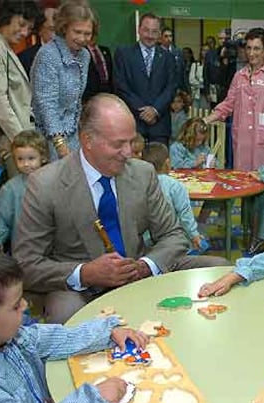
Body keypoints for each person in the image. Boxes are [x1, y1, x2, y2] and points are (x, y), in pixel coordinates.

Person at [13, 94, 228, 324]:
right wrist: (86, 273)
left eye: (131, 140)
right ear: (87, 140)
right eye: (118, 144)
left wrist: (146, 266)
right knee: (66, 313)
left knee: (220, 270)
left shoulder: (143, 173)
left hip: (139, 268)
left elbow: (174, 236)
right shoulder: (45, 185)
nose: (128, 152)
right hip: (80, 287)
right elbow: (27, 264)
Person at [0, 250, 148, 403]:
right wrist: (94, 399)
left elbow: (54, 339)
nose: (25, 305)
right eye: (15, 306)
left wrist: (107, 332)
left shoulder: (7, 337)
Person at [204, 28, 264, 171]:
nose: (251, 53)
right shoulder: (239, 76)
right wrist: (206, 120)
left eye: (256, 48)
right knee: (243, 183)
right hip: (242, 140)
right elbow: (228, 104)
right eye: (248, 48)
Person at [0, 0, 42, 177]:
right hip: (11, 140)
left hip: (18, 138)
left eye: (29, 29)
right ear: (6, 17)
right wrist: (22, 140)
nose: (24, 33)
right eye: (21, 25)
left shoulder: (3, 46)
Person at [31, 0, 94, 160]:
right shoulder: (48, 54)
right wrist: (60, 144)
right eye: (77, 32)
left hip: (73, 133)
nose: (82, 38)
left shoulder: (85, 55)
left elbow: (77, 101)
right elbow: (46, 103)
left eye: (87, 33)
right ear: (64, 28)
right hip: (49, 136)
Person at [114, 13, 177, 146]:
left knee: (159, 166)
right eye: (146, 30)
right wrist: (142, 110)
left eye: (154, 31)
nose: (149, 35)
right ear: (139, 29)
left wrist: (155, 110)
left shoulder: (168, 58)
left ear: (159, 33)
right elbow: (120, 86)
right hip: (133, 124)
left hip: (160, 126)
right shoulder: (123, 54)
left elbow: (171, 87)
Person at [0, 130, 49, 251]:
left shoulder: (55, 183)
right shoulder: (10, 189)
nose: (26, 164)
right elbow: (2, 220)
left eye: (31, 158)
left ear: (44, 157)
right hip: (23, 249)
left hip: (53, 248)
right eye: (20, 159)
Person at [143, 142, 205, 250]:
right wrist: (194, 235)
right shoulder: (175, 186)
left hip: (144, 239)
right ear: (167, 163)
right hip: (171, 238)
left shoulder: (140, 183)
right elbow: (185, 214)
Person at [82, 16, 114, 102]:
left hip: (108, 96)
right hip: (89, 98)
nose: (93, 36)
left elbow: (111, 75)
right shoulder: (81, 52)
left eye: (94, 33)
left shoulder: (105, 51)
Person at [17, 7, 57, 77]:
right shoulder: (25, 59)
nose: (57, 34)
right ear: (40, 30)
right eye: (52, 29)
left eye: (61, 29)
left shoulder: (74, 55)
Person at [160, 27, 185, 91]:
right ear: (161, 38)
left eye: (170, 36)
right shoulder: (156, 53)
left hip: (177, 89)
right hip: (161, 89)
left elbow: (182, 73)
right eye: (166, 36)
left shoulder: (178, 52)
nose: (168, 39)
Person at [189, 44, 210, 110]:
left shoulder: (212, 65)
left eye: (207, 51)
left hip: (207, 95)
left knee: (206, 114)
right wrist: (203, 83)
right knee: (195, 114)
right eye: (204, 50)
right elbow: (191, 80)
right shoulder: (195, 65)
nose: (205, 52)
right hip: (196, 94)